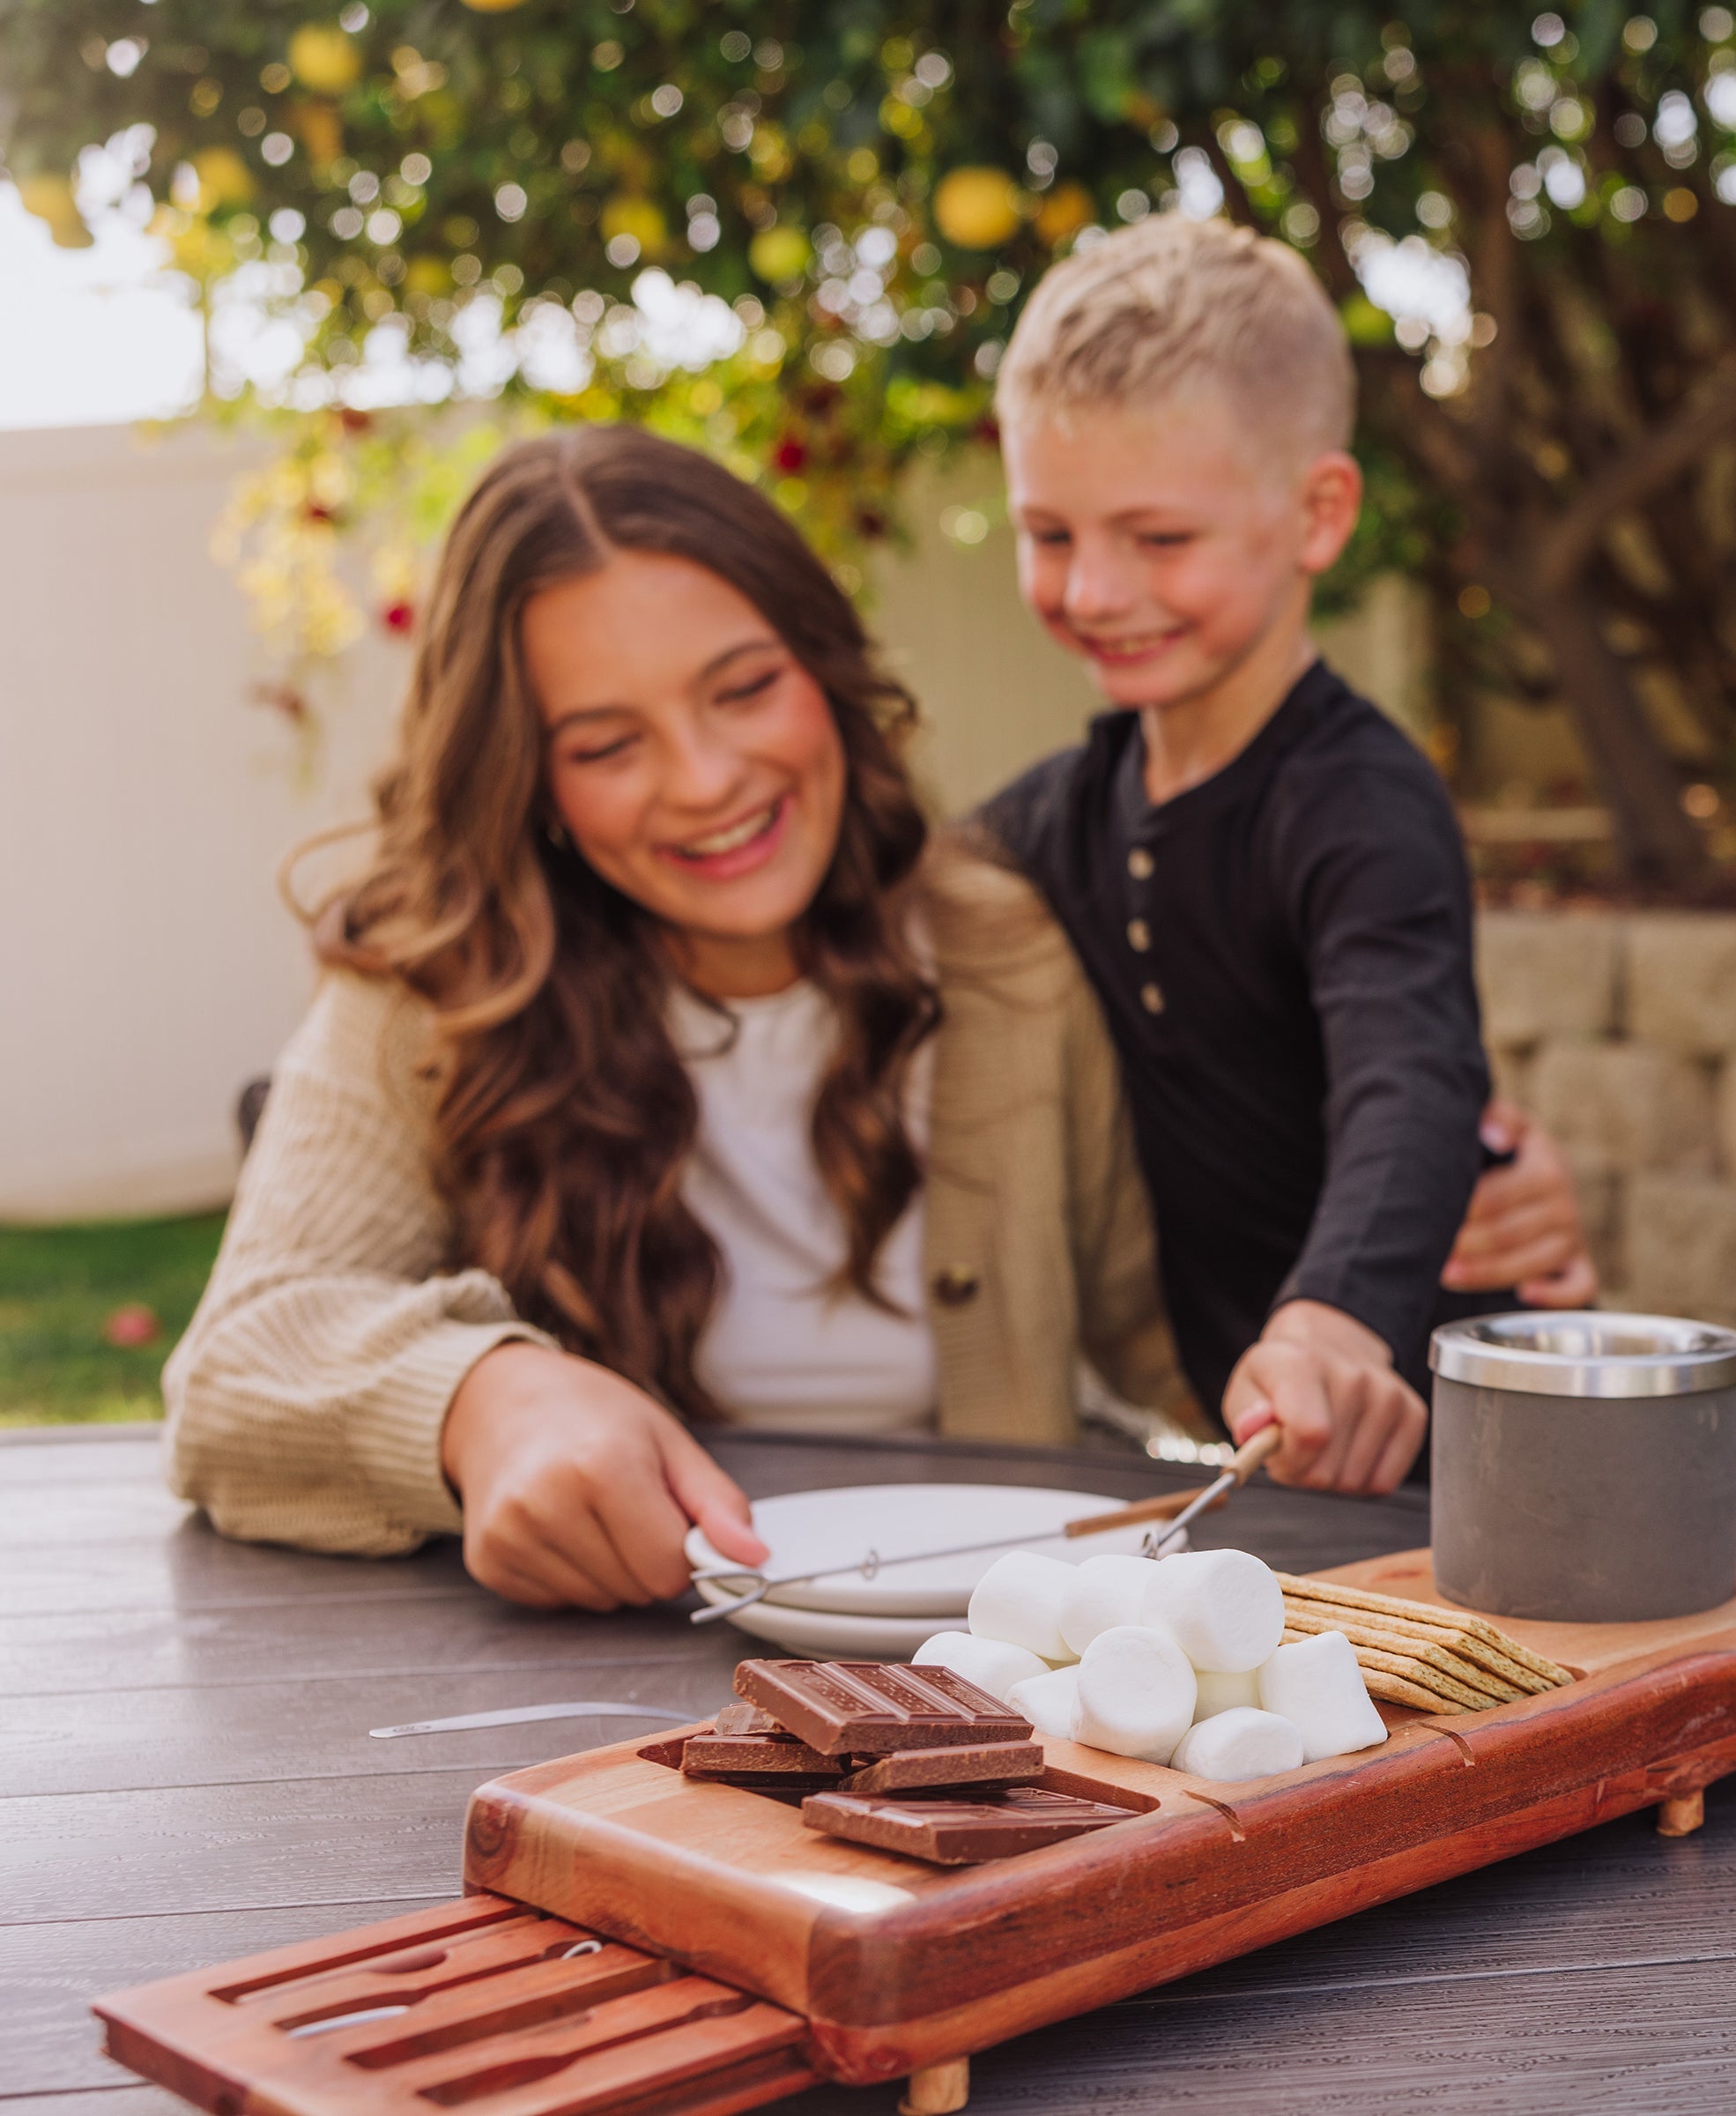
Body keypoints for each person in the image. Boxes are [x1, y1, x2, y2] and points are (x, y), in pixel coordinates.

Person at [162, 426, 1586, 1611]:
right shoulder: (428, 989)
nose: (706, 778)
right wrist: (484, 1400)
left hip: (1011, 1686)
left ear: (824, 664)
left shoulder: (1011, 951)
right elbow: (234, 1368)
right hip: (596, 1697)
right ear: (526, 777)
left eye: (744, 688)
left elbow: (1189, 1326)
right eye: (606, 744)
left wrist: (1449, 1237)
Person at [975, 216, 1571, 1452]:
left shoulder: (1363, 803)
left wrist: (1330, 1326)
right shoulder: (1051, 820)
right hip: (1258, 1451)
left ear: (1318, 514)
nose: (1091, 591)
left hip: (1442, 1448)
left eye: (1159, 538)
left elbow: (1410, 1072)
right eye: (1050, 535)